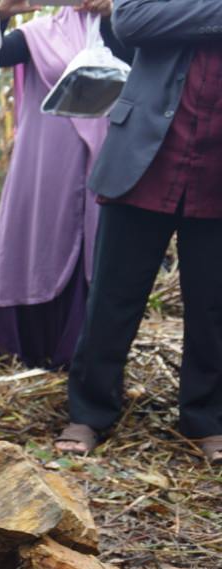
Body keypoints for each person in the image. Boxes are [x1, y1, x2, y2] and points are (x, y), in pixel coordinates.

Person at [57, 0, 222, 464]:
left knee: (214, 305)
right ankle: (89, 413)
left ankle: (207, 418)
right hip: (147, 159)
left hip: (215, 166)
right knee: (114, 296)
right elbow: (133, 19)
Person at [0, 0, 126, 371]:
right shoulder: (39, 33)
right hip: (44, 166)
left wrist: (113, 13)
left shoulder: (128, 27)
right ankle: (25, 351)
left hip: (104, 166)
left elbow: (141, 66)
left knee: (97, 251)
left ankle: (81, 360)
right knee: (38, 241)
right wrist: (0, 15)